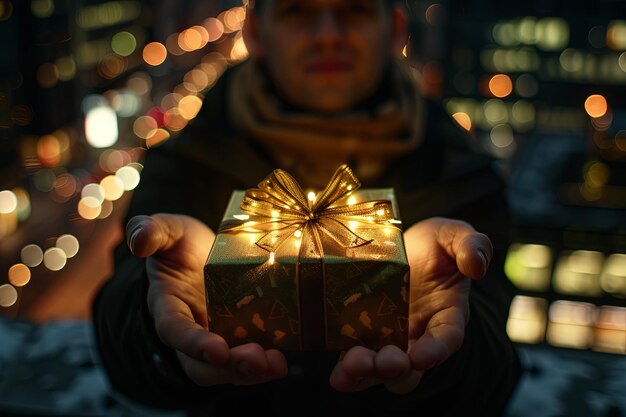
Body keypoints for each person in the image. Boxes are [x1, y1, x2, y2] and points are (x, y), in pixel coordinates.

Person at [92, 0, 522, 416]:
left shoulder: (457, 171)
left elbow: (494, 378)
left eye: (354, 9)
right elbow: (121, 348)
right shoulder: (188, 163)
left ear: (393, 30)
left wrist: (448, 357)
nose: (328, 36)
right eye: (298, 11)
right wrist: (154, 325)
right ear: (256, 32)